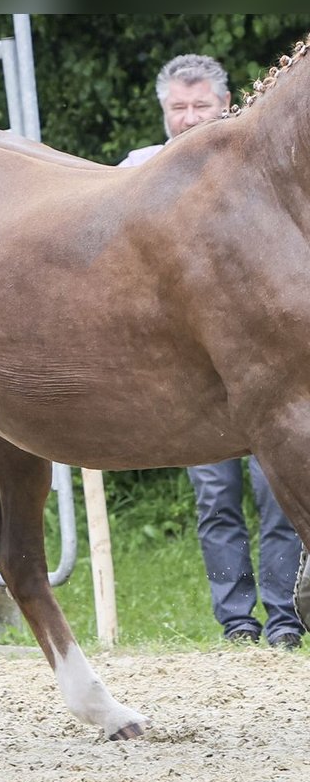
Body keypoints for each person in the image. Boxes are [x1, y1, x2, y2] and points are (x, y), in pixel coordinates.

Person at [120, 53, 306, 649]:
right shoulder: (136, 174)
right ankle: (238, 626)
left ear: (228, 107)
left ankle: (284, 620)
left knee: (279, 493)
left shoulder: (264, 173)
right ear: (163, 112)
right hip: (193, 375)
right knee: (217, 497)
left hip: (268, 365)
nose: (191, 118)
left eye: (202, 106)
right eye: (180, 107)